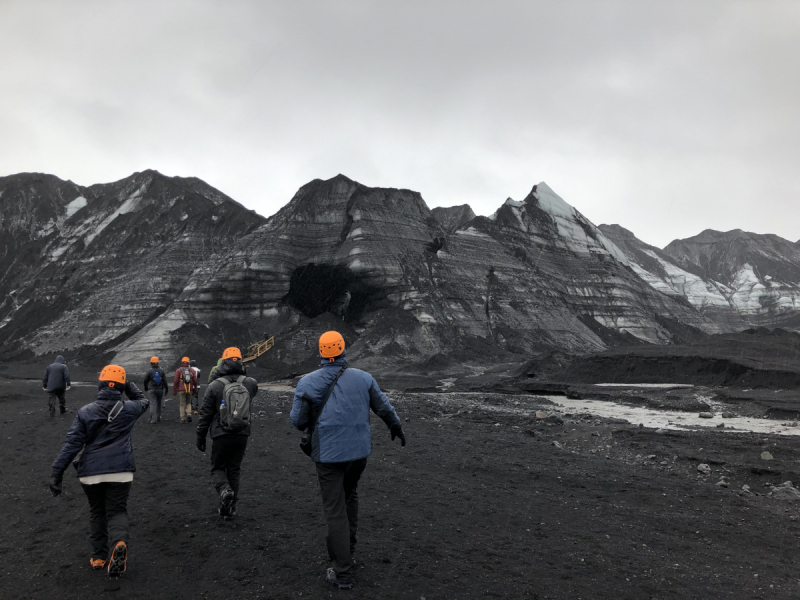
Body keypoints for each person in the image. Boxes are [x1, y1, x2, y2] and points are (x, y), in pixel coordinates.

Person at [290, 331, 406, 590]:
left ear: (321, 352)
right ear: (344, 350)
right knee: (350, 495)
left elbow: (298, 422)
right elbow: (383, 407)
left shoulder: (308, 382)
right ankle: (348, 548)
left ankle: (342, 571)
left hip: (328, 455)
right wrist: (395, 426)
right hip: (358, 454)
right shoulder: (364, 378)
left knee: (335, 509)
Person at [49, 365, 149, 577]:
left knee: (97, 511)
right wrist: (129, 387)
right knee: (117, 510)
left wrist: (57, 473)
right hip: (121, 470)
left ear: (100, 384)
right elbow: (144, 402)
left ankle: (99, 557)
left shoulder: (85, 411)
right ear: (121, 387)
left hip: (90, 472)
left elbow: (72, 445)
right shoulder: (128, 409)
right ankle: (119, 543)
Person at [196, 347, 258, 519]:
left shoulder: (215, 386)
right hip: (242, 433)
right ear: (240, 361)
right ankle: (231, 509)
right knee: (234, 470)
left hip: (221, 433)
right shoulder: (250, 383)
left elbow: (205, 414)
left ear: (223, 363)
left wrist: (200, 436)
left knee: (218, 467)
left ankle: (224, 490)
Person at [143, 356, 169, 424]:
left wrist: (146, 386)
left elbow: (145, 380)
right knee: (159, 404)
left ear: (151, 363)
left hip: (152, 389)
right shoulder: (161, 370)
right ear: (157, 362)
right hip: (160, 389)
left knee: (153, 404)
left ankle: (153, 419)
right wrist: (166, 388)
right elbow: (165, 380)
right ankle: (158, 417)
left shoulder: (149, 371)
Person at [173, 357, 197, 424]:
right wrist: (195, 388)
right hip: (189, 389)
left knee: (182, 404)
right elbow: (195, 380)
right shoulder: (192, 370)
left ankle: (182, 418)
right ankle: (189, 414)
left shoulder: (178, 370)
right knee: (188, 402)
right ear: (188, 362)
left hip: (181, 390)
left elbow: (176, 381)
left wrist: (175, 390)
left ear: (182, 362)